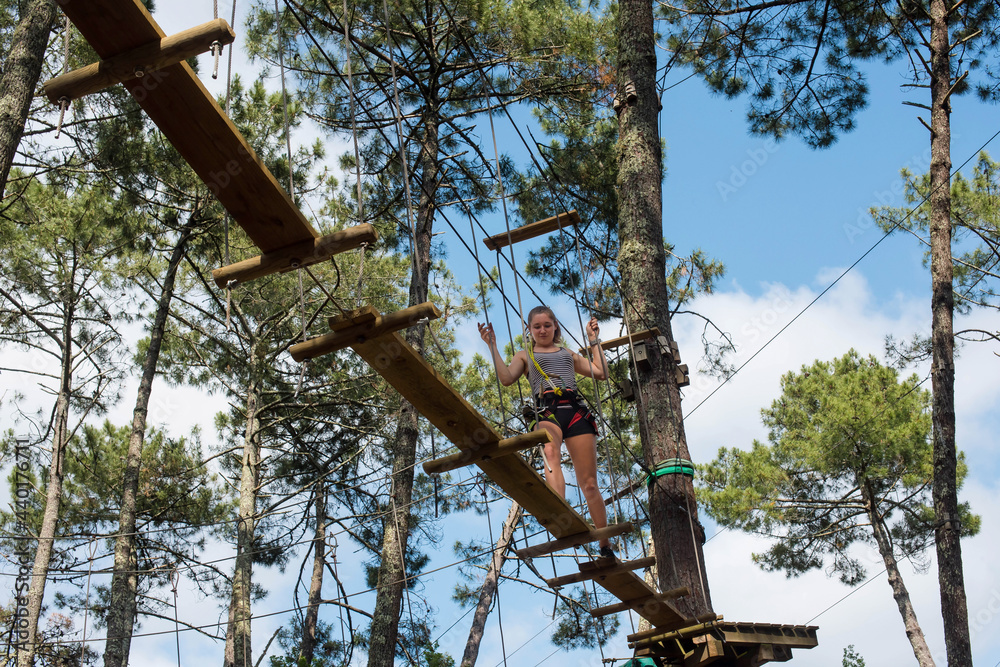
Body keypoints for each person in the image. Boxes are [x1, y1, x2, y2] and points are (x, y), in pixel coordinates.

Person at [479, 305, 614, 558]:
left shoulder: (567, 353)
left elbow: (600, 373)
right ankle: (561, 513)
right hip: (547, 409)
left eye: (547, 325)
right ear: (529, 330)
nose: (542, 330)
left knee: (590, 485)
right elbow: (507, 378)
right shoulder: (524, 355)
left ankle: (605, 544)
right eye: (537, 326)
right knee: (550, 451)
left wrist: (594, 341)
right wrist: (492, 346)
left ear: (555, 328)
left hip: (574, 410)